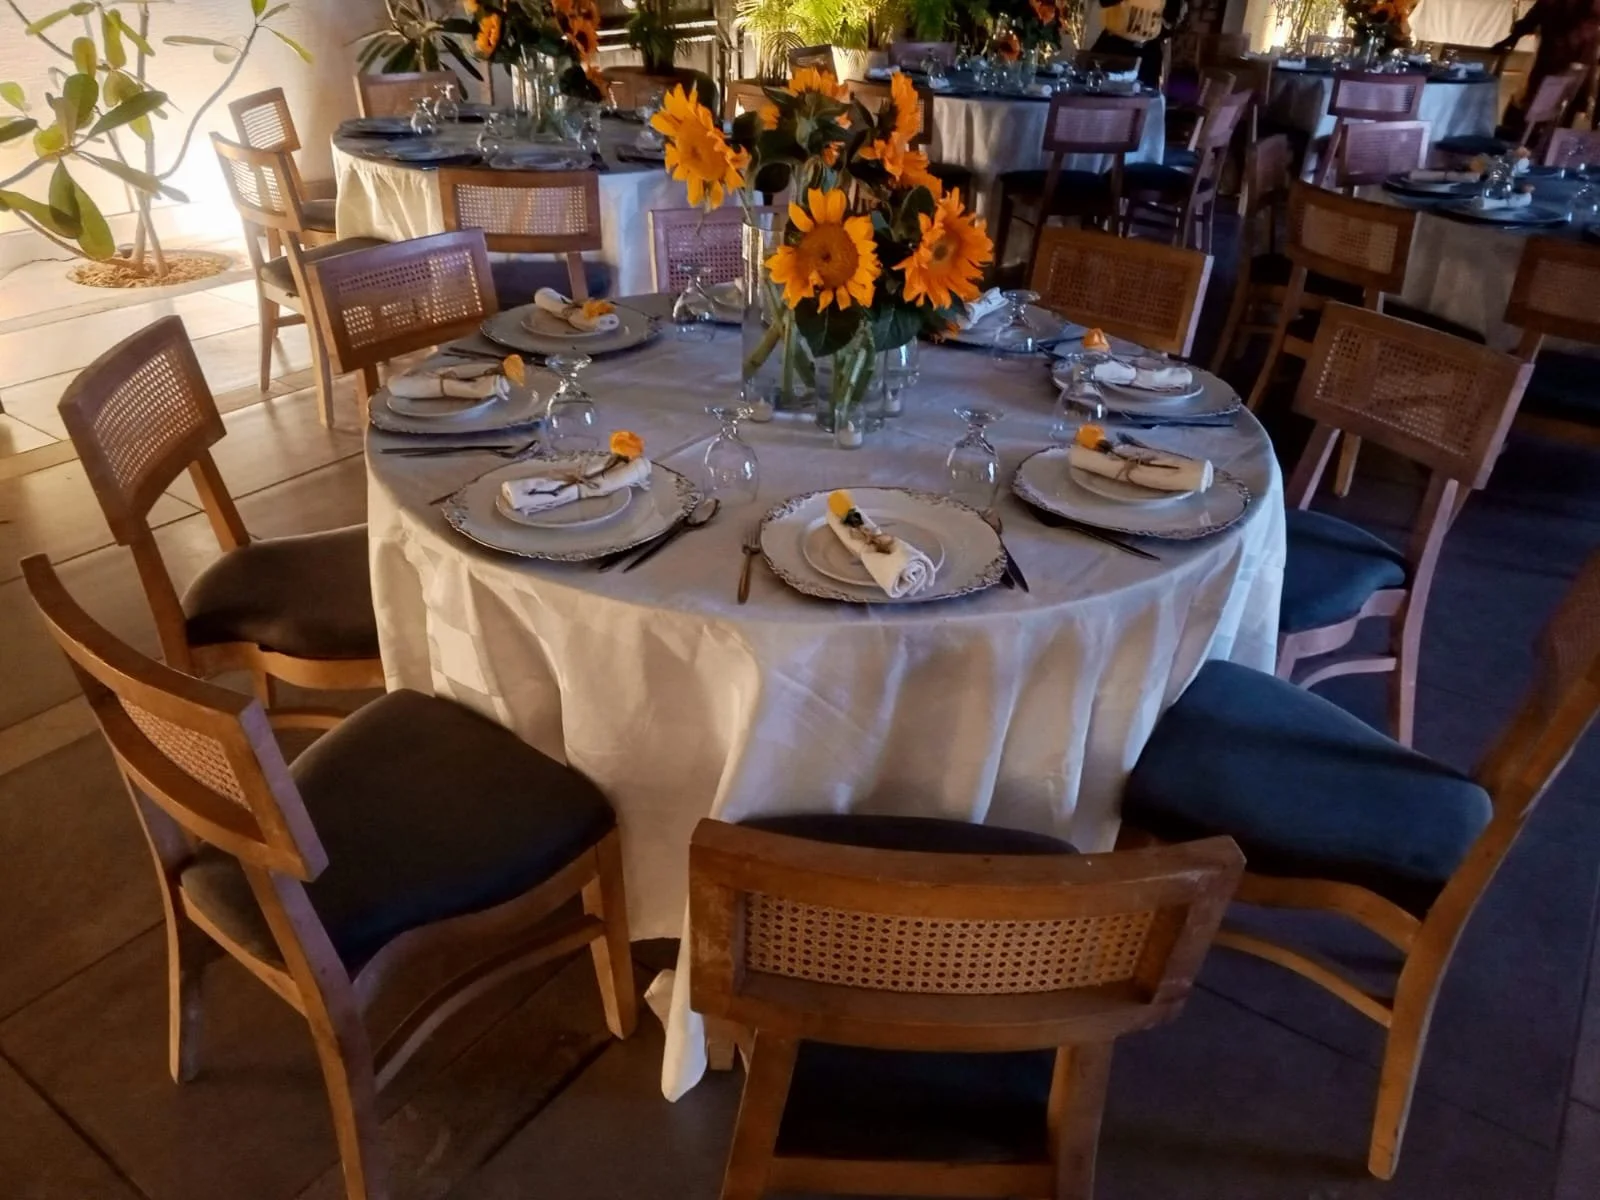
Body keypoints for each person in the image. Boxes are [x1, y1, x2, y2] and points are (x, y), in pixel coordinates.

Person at [1492, 0, 1600, 132]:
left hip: (1571, 63)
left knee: (1558, 109)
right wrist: (1512, 38)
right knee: (1534, 108)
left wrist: (1513, 37)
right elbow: (1534, 16)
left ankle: (1539, 135)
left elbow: (1534, 16)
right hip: (1552, 61)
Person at [1092, 0, 1187, 87]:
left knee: (1145, 93)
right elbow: (1104, 2)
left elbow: (1171, 21)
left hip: (1147, 51)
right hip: (1114, 46)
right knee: (1101, 89)